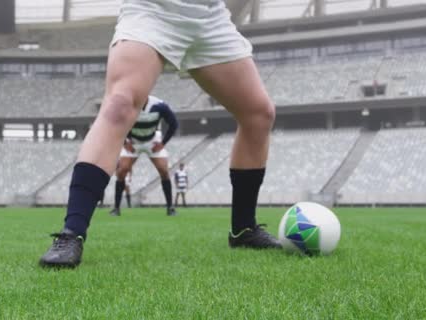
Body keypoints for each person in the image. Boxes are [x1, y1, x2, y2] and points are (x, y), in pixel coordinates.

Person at [40, 0, 281, 269]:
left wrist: (162, 141)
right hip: (154, 9)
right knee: (120, 105)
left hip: (209, 15)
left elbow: (172, 123)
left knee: (259, 114)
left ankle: (243, 230)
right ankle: (72, 233)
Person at [109, 95, 178, 217]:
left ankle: (170, 207)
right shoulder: (126, 106)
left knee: (164, 171)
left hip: (152, 141)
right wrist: (125, 142)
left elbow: (174, 124)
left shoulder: (159, 105)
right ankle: (116, 208)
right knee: (122, 171)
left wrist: (162, 143)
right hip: (133, 141)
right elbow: (116, 124)